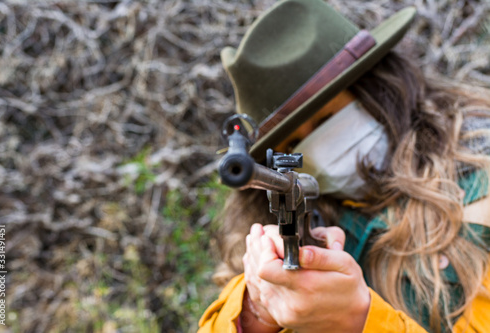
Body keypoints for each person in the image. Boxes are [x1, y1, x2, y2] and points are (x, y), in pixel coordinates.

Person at [198, 0, 490, 332]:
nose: (320, 152)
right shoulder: (287, 221)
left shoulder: (481, 184)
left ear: (378, 91)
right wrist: (255, 310)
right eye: (294, 145)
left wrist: (358, 321)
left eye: (328, 119)